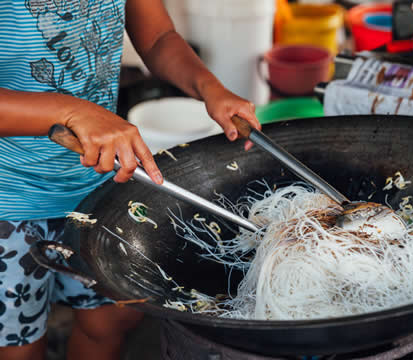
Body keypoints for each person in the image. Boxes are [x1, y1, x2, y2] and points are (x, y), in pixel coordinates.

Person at [0, 1, 261, 359]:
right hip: (9, 198)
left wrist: (207, 86)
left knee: (107, 325)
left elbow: (157, 37)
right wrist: (73, 111)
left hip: (97, 182)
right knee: (20, 348)